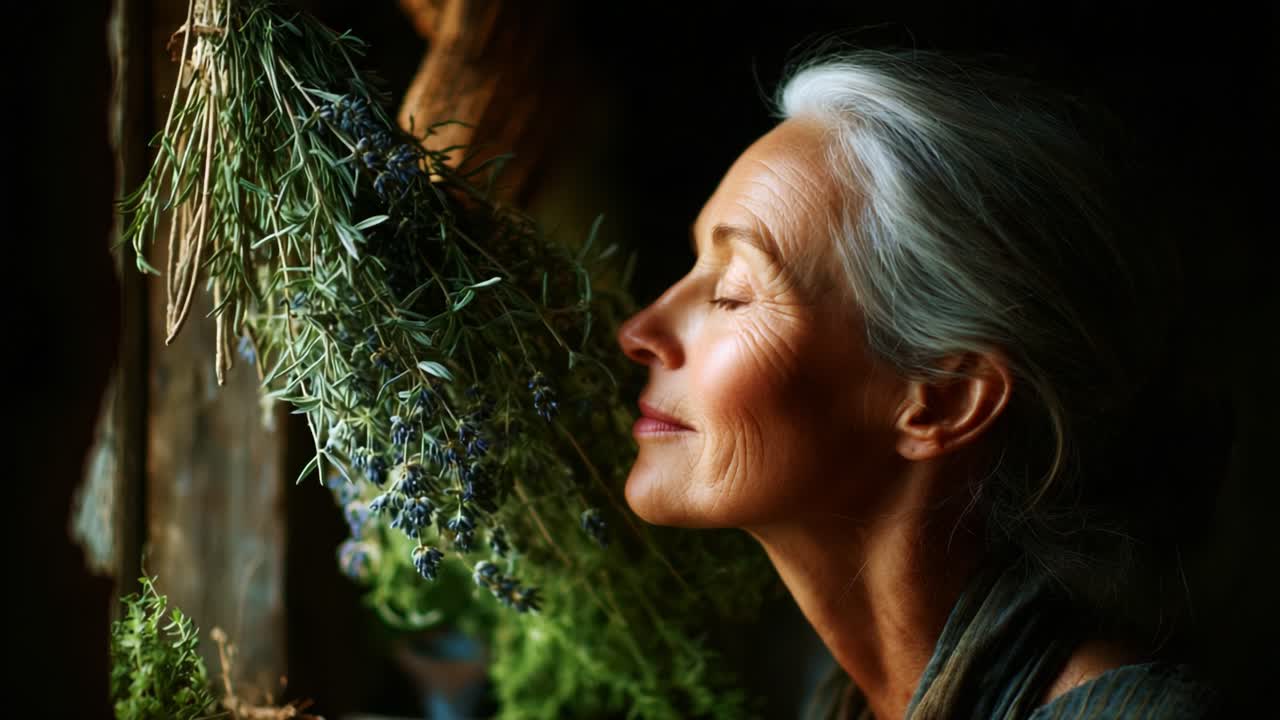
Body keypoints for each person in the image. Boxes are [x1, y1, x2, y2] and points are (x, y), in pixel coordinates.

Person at [616, 48, 1230, 719]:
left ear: (941, 398)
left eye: (733, 294)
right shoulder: (842, 700)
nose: (639, 329)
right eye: (695, 264)